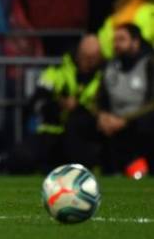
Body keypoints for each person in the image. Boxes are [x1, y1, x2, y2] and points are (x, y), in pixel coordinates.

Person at [4, 35, 103, 174]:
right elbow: (36, 103)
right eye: (85, 56)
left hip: (84, 136)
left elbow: (106, 111)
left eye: (93, 57)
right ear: (78, 53)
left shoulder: (106, 77)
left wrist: (79, 108)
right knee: (18, 157)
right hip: (51, 131)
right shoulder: (55, 72)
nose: (89, 61)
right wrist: (59, 105)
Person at [64, 24, 154, 174]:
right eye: (114, 40)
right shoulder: (109, 66)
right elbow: (98, 98)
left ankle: (144, 168)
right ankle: (83, 172)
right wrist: (101, 116)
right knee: (77, 121)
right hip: (112, 122)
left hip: (138, 121)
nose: (116, 44)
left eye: (122, 39)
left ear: (135, 42)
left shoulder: (149, 64)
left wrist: (126, 120)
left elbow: (152, 104)